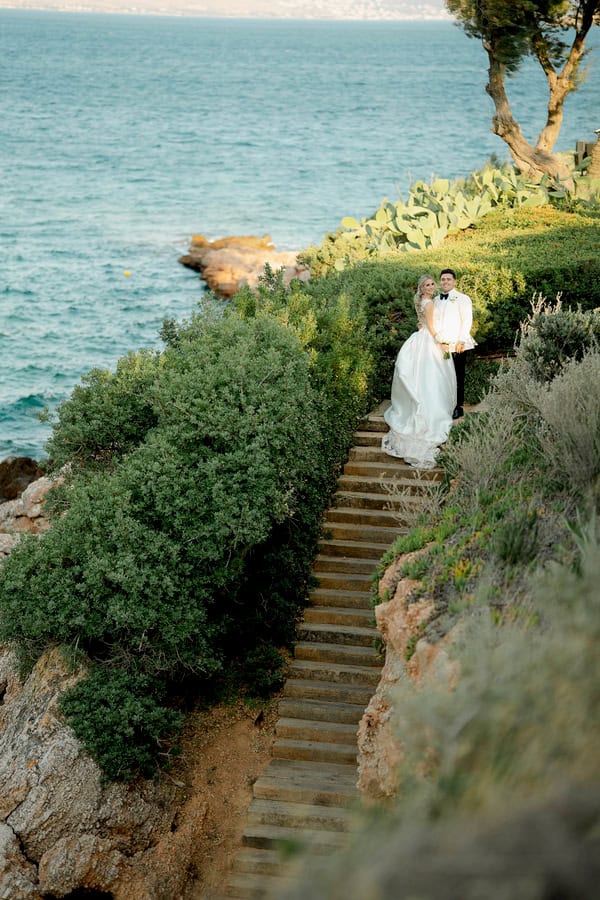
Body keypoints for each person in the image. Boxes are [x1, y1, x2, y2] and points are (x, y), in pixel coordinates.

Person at [382, 274, 457, 469]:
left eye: (432, 284)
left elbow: (423, 322)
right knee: (432, 379)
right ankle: (431, 414)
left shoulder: (424, 301)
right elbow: (432, 326)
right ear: (421, 288)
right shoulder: (429, 303)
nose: (431, 287)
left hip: (420, 337)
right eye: (427, 285)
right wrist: (441, 341)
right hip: (430, 340)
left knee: (423, 378)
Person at [433, 269, 476, 419]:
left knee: (457, 376)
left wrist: (462, 340)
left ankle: (458, 406)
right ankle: (444, 404)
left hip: (457, 343)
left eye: (448, 279)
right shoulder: (436, 300)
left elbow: (467, 320)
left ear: (454, 281)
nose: (445, 282)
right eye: (443, 279)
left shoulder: (463, 298)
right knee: (442, 376)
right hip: (440, 345)